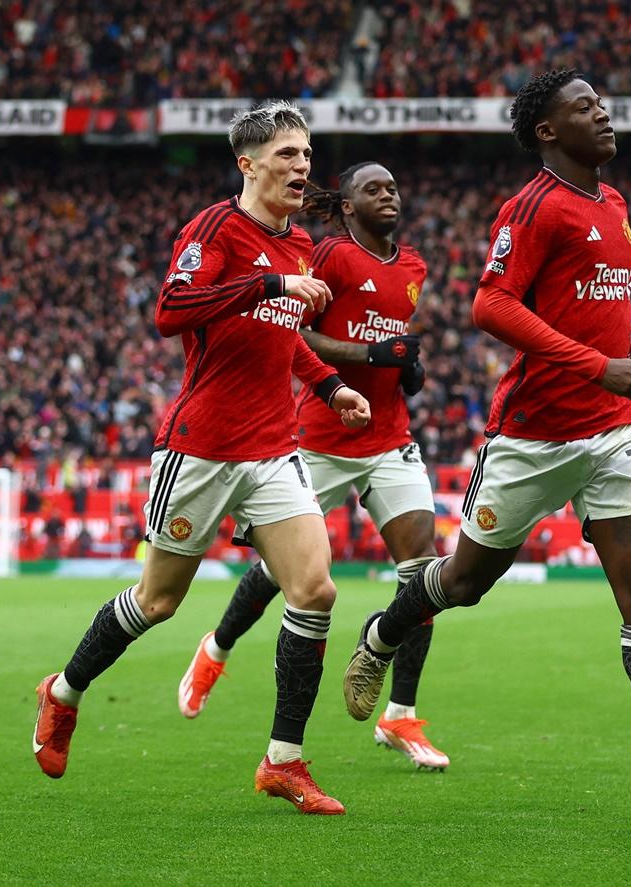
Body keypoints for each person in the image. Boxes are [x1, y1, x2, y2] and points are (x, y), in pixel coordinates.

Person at [340, 69, 631, 831]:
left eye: (602, 101)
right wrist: (595, 361)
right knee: (462, 581)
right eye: (585, 106)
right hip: (532, 434)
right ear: (549, 131)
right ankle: (384, 631)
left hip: (614, 428)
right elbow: (491, 304)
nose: (605, 111)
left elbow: (593, 301)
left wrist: (626, 341)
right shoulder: (532, 207)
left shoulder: (612, 204)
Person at [30, 100, 372, 816]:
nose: (301, 167)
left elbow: (285, 340)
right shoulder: (216, 229)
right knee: (158, 601)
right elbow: (170, 310)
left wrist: (333, 384)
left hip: (274, 448)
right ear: (247, 164)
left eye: (306, 155)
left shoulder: (301, 243)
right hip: (200, 448)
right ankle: (62, 692)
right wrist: (267, 283)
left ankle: (284, 761)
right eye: (286, 155)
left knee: (315, 590)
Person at [178, 161, 449, 770]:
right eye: (372, 189)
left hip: (388, 438)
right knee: (282, 574)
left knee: (421, 573)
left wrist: (406, 365)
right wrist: (371, 351)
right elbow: (292, 334)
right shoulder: (324, 255)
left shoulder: (413, 267)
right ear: (347, 206)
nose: (388, 195)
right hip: (322, 434)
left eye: (393, 186)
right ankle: (217, 647)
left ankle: (401, 716)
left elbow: (394, 343)